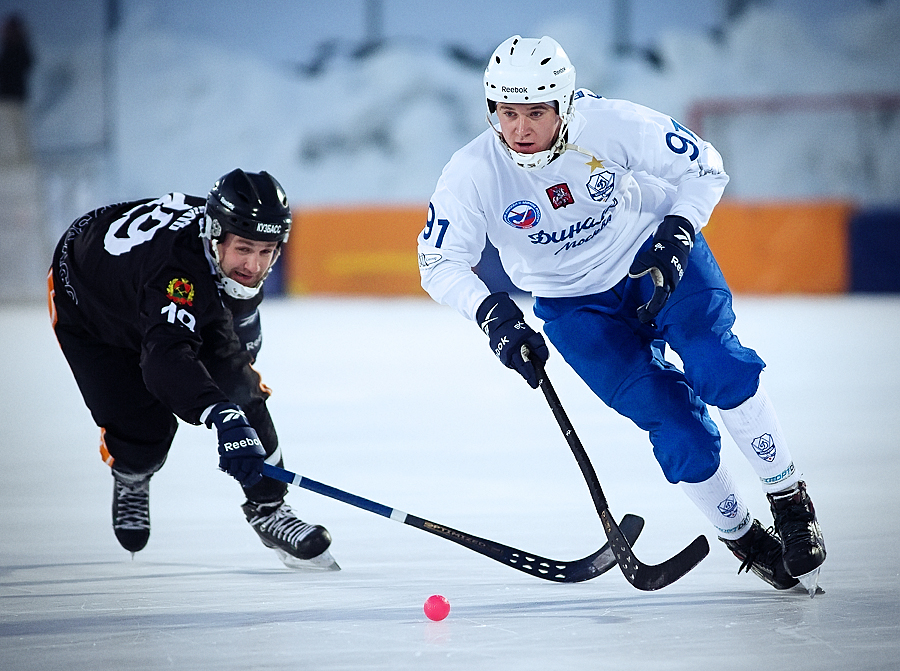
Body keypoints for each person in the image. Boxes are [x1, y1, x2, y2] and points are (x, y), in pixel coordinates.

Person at [417, 36, 825, 592]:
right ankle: (744, 536)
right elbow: (439, 262)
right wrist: (492, 313)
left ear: (563, 105)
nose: (519, 129)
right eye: (506, 113)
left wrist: (679, 231)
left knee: (717, 364)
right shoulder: (471, 172)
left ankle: (789, 499)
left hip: (652, 259)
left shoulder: (613, 125)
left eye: (535, 112)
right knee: (673, 423)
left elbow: (705, 166)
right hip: (574, 308)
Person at [49, 168, 336, 570]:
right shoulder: (178, 272)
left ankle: (269, 509)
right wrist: (218, 413)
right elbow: (166, 359)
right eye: (244, 249)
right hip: (91, 306)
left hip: (151, 284)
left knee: (240, 388)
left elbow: (232, 356)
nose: (254, 265)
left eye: (267, 251)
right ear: (215, 234)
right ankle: (133, 473)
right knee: (143, 428)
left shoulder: (224, 252)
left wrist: (234, 399)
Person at [0, 13, 34, 162]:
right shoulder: (11, 47)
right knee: (10, 129)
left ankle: (22, 157)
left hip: (14, 96)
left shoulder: (18, 48)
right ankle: (15, 157)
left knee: (17, 128)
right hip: (8, 96)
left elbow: (26, 64)